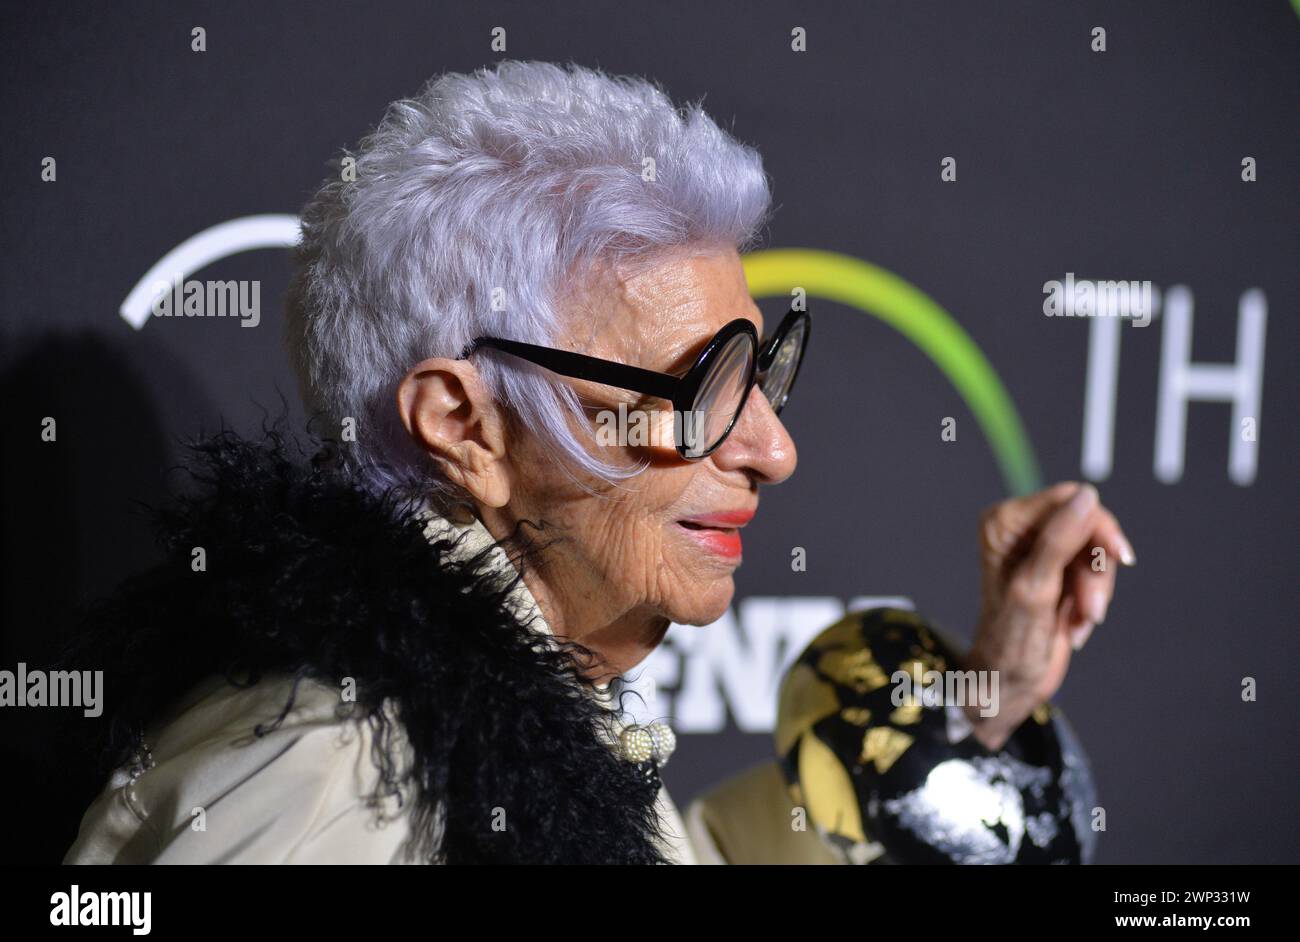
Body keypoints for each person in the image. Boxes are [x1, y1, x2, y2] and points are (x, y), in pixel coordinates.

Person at [62, 60, 1132, 865]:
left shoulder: (492, 737)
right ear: (466, 426)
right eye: (703, 385)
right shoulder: (332, 786)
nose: (774, 447)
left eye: (762, 374)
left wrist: (982, 709)